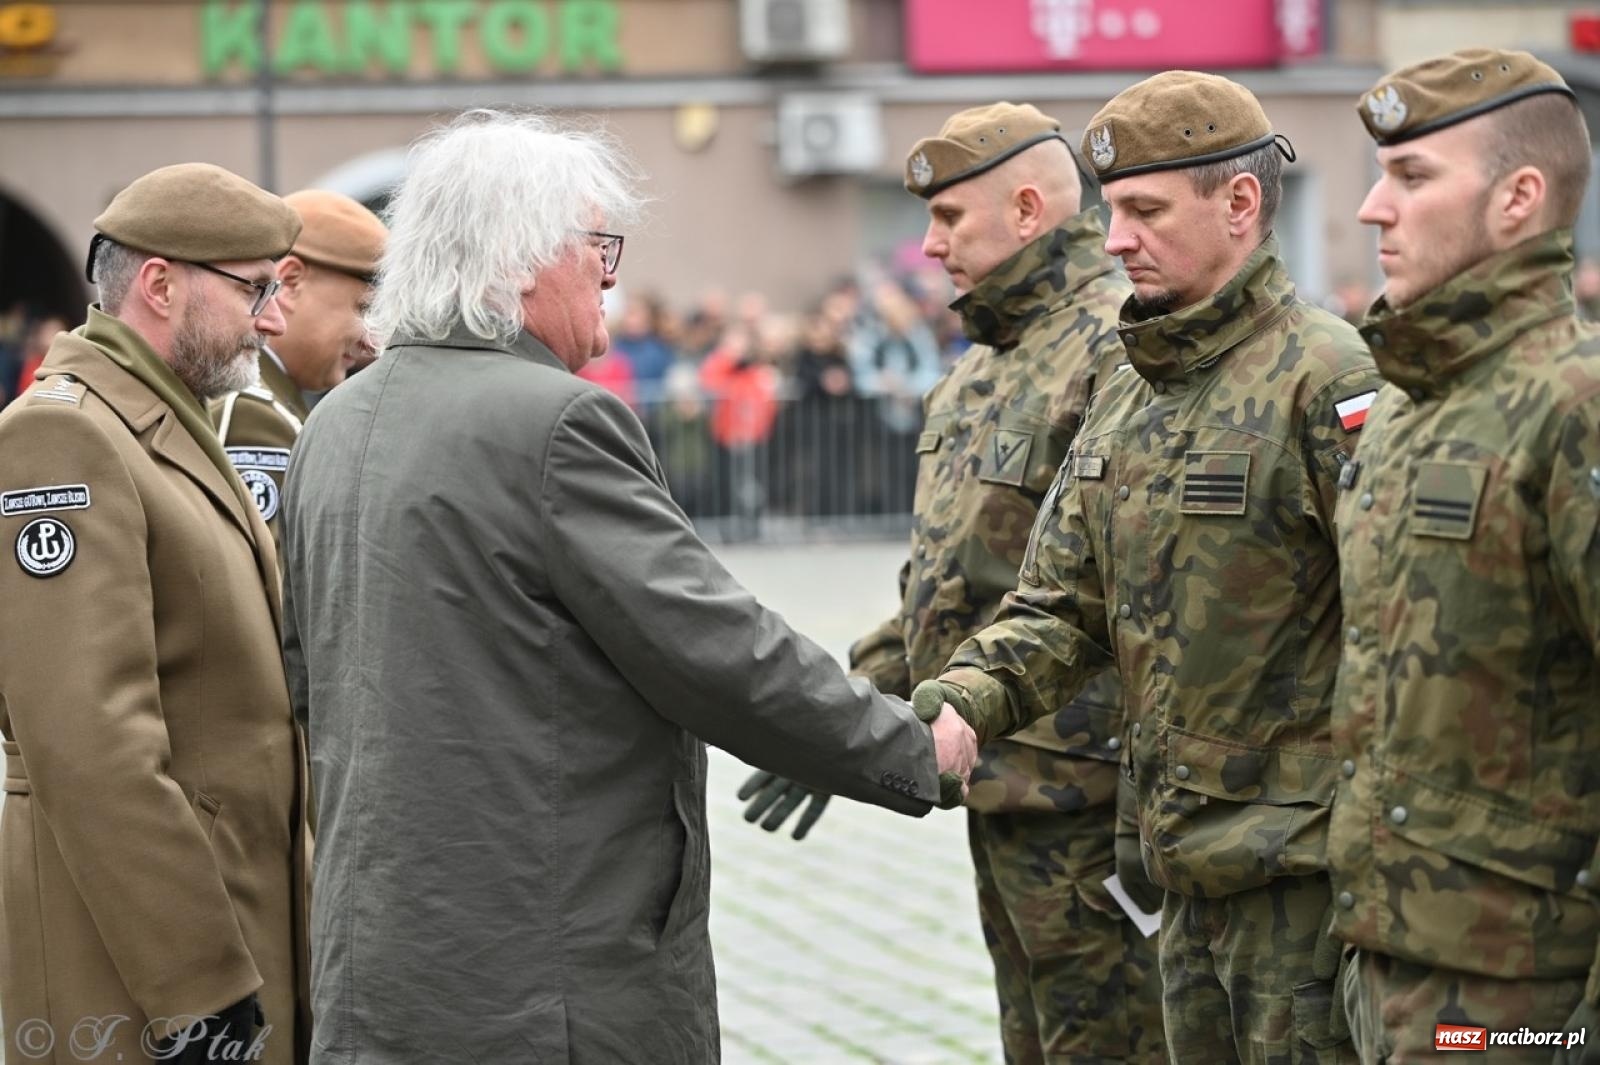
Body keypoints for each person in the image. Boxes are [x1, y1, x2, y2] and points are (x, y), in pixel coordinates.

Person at [277, 108, 978, 1064]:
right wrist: (910, 745)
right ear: (521, 259)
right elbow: (715, 647)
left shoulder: (332, 421)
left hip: (384, 966)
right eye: (597, 246)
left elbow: (307, 679)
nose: (611, 274)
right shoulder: (556, 422)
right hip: (546, 976)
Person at [920, 72, 1383, 1064]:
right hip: (1176, 870)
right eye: (1113, 209)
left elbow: (1403, 632)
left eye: (1145, 210)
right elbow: (1060, 604)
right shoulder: (1131, 388)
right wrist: (964, 699)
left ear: (1240, 203)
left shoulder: (1328, 378)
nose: (1115, 237)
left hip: (1300, 886)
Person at [738, 101, 1164, 1063]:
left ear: (1027, 211)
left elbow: (1142, 596)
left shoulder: (1121, 349)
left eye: (948, 219)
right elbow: (943, 598)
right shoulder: (978, 372)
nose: (929, 246)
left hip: (1096, 805)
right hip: (1000, 788)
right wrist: (837, 723)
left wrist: (1149, 810)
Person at [0, 163, 311, 1064]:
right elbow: (90, 744)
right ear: (162, 285)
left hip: (223, 925)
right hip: (144, 976)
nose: (274, 320)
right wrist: (198, 986)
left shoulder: (172, 418)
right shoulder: (63, 435)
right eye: (255, 289)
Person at [1326, 49, 1600, 1064]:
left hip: (1519, 991)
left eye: (1411, 176)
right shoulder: (1403, 405)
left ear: (1517, 198)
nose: (1372, 209)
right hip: (1389, 956)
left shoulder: (1576, 403)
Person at [211, 189, 386, 554]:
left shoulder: (269, 400)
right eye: (362, 308)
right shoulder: (253, 412)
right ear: (290, 282)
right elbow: (274, 575)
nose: (371, 341)